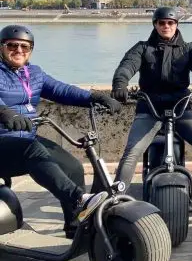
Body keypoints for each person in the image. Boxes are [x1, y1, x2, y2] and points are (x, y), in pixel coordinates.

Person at [0, 24, 122, 237]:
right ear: (2, 47)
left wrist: (94, 97)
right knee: (33, 149)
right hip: (4, 143)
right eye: (13, 45)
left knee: (73, 166)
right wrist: (4, 113)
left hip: (26, 139)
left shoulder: (34, 73)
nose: (19, 50)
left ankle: (75, 226)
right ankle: (80, 200)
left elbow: (61, 90)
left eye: (25, 47)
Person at [111, 7, 192, 214]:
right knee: (133, 150)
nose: (166, 26)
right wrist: (120, 84)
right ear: (155, 25)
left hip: (181, 107)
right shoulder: (142, 48)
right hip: (149, 108)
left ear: (176, 25)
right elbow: (126, 67)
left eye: (170, 22)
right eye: (161, 23)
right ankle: (115, 198)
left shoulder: (189, 49)